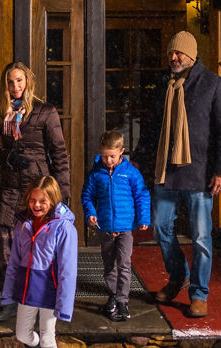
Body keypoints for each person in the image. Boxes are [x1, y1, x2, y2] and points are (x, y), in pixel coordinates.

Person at [132, 30, 221, 319]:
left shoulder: (214, 84)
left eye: (178, 53)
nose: (173, 57)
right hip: (166, 171)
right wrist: (138, 160)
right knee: (160, 228)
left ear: (191, 55)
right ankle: (179, 276)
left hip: (200, 173)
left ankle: (199, 294)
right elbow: (152, 127)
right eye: (171, 53)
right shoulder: (163, 84)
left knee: (201, 237)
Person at [0, 61, 71, 321]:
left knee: (38, 249)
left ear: (28, 82)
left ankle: (37, 301)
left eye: (19, 80)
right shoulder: (0, 112)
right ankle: (9, 300)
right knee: (7, 246)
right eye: (10, 82)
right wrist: (7, 157)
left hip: (37, 189)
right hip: (9, 186)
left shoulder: (45, 111)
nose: (15, 86)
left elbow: (59, 153)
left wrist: (62, 194)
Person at [0, 176, 78, 348]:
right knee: (22, 335)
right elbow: (14, 261)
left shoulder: (64, 228)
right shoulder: (23, 224)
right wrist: (8, 292)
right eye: (33, 200)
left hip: (50, 291)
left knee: (47, 339)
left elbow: (68, 270)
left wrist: (64, 306)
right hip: (27, 290)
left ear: (53, 200)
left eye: (43, 201)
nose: (36, 205)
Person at [81, 129, 150, 322]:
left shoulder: (131, 173)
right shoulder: (96, 174)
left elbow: (142, 195)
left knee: (124, 264)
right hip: (105, 228)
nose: (108, 160)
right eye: (104, 156)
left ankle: (122, 300)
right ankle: (112, 295)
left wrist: (143, 218)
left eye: (112, 156)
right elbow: (87, 196)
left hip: (125, 228)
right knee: (109, 265)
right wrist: (91, 213)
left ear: (121, 151)